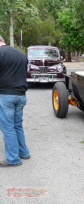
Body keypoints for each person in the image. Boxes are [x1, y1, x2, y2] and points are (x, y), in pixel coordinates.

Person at [0, 36, 30, 167]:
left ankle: (12, 159)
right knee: (17, 125)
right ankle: (24, 152)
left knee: (8, 128)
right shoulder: (21, 54)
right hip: (21, 95)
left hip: (6, 96)